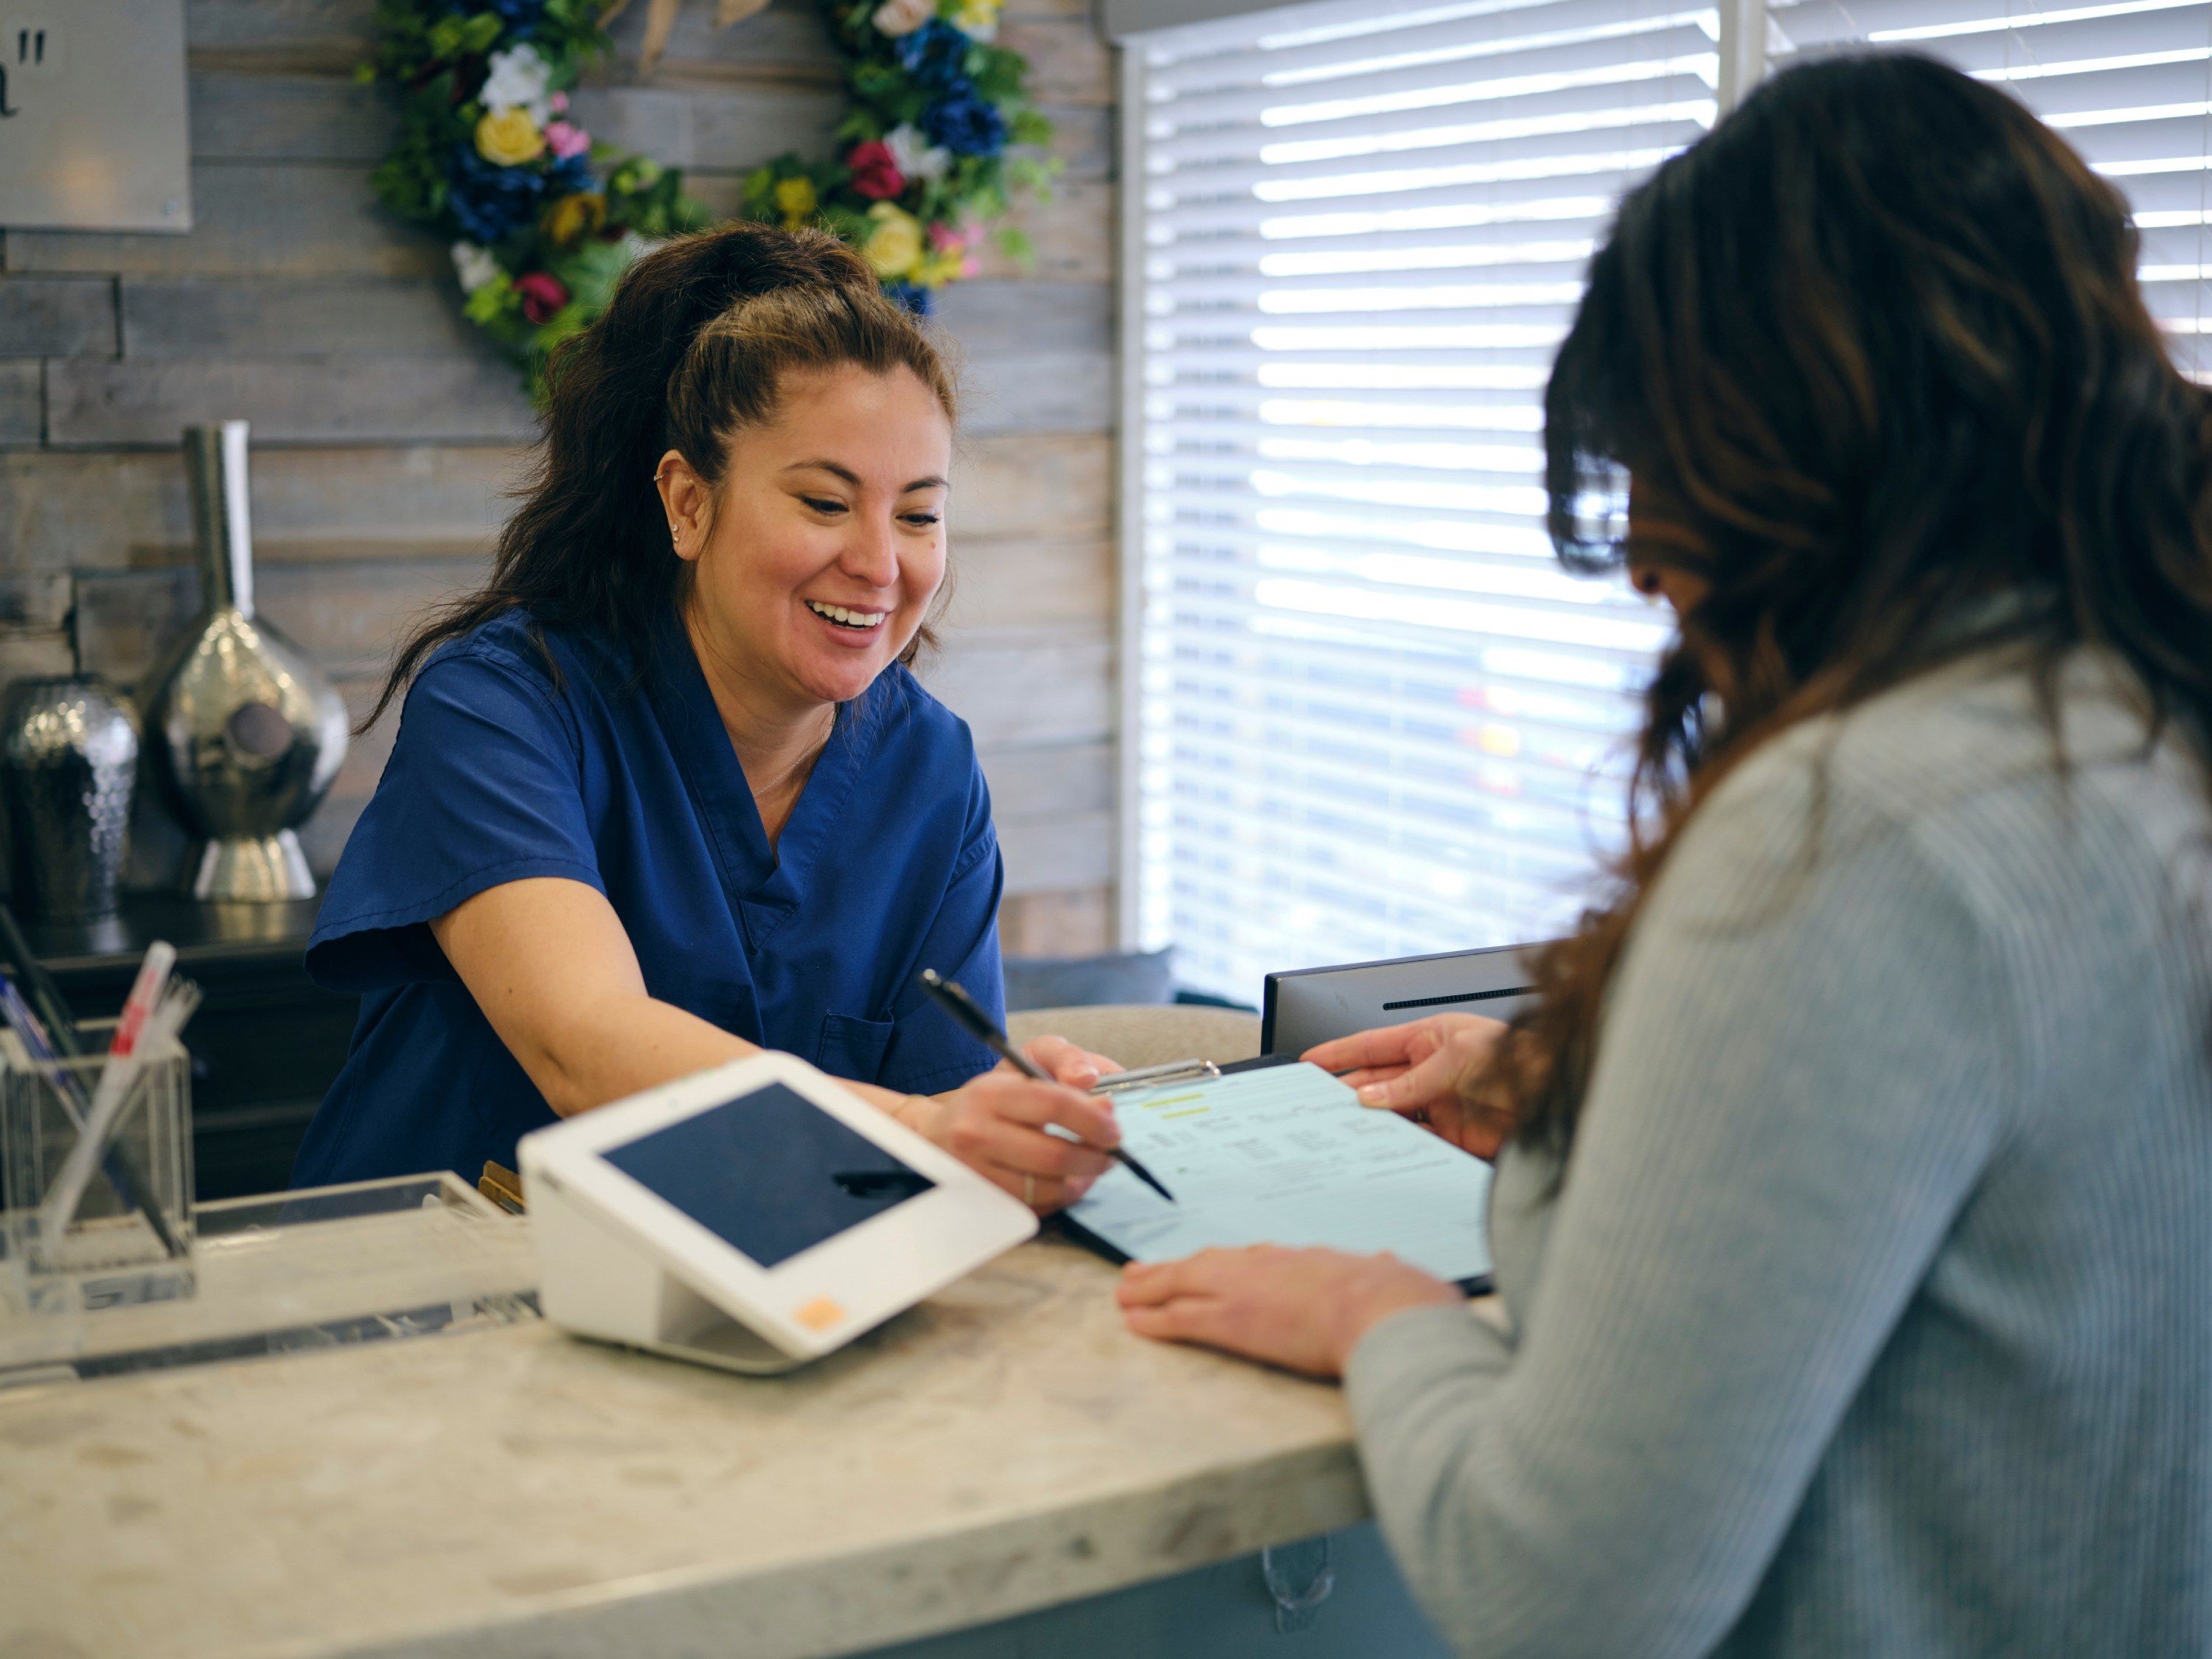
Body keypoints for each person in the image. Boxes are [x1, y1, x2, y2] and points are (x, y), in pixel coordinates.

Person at [1116, 53, 2212, 1655]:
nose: (1637, 559)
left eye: (1660, 465)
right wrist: (1601, 1100)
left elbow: (1567, 1598)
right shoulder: (2139, 727)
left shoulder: (1854, 829)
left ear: (1800, 448)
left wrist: (1382, 1318)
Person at [293, 223, 1120, 1211]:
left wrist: (1018, 1122)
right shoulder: (505, 708)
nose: (880, 563)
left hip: (769, 1305)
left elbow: (944, 1127)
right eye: (823, 501)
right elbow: (584, 1041)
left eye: (917, 514)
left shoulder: (930, 771)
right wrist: (920, 1128)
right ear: (688, 502)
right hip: (431, 1305)